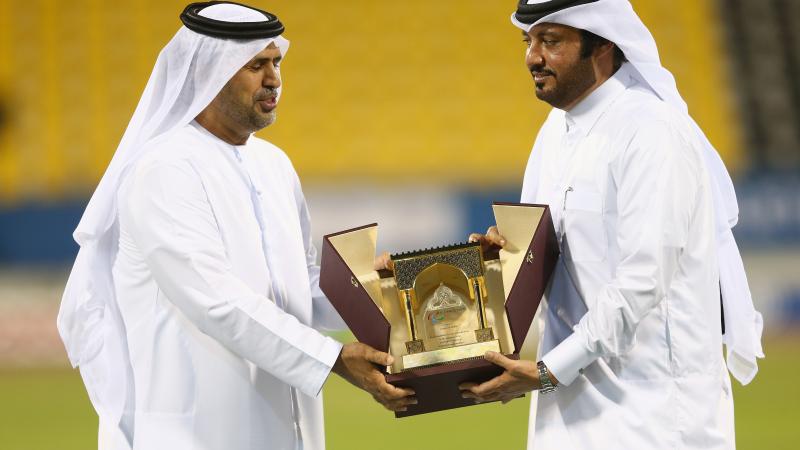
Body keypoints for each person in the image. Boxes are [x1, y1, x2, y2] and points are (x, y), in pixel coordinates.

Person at [57, 3, 414, 450]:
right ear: (210, 72)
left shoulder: (274, 165)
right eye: (256, 65)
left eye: (276, 62)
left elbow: (294, 289)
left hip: (286, 430)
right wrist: (334, 359)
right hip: (191, 434)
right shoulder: (164, 169)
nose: (274, 80)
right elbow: (217, 301)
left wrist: (372, 292)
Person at [460, 1, 764, 448]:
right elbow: (548, 260)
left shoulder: (651, 132)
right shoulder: (553, 134)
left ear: (602, 43)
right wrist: (502, 260)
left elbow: (642, 281)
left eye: (552, 41)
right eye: (530, 41)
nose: (533, 57)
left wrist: (549, 371)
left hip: (653, 417)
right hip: (565, 414)